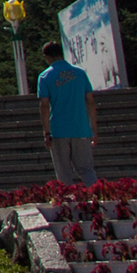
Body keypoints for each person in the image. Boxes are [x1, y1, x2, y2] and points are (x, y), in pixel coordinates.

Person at [36, 37, 97, 187]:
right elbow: (90, 100)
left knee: (64, 173)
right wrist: (93, 127)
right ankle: (100, 197)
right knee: (87, 170)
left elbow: (44, 105)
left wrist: (46, 132)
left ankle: (68, 205)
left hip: (59, 129)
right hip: (81, 127)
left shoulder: (45, 76)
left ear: (47, 57)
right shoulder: (80, 73)